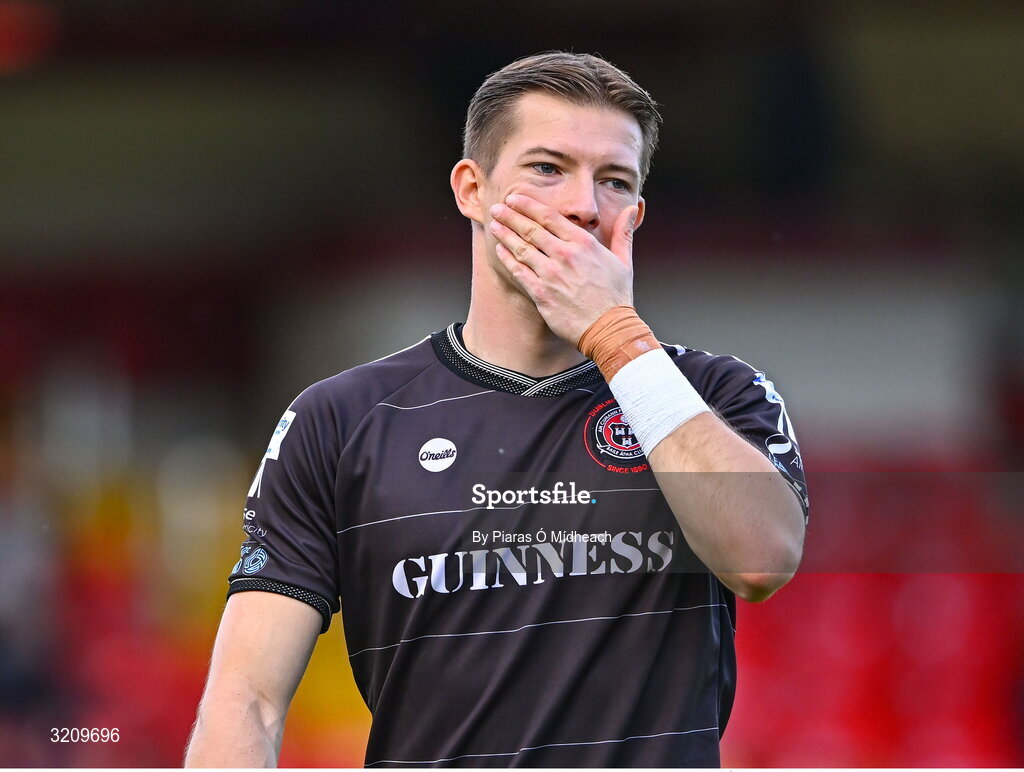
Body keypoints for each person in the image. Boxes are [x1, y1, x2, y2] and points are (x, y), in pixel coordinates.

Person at [184, 51, 808, 768]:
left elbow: (761, 560)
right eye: (547, 168)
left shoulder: (716, 396)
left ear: (634, 216)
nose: (583, 206)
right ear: (471, 190)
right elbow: (246, 699)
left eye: (614, 182)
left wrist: (614, 334)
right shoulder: (340, 421)